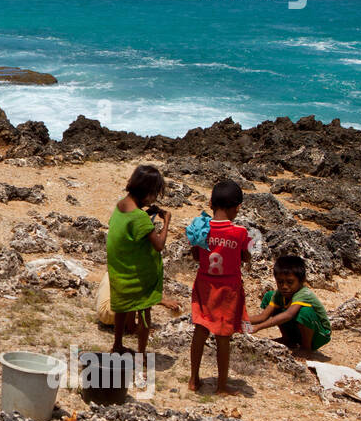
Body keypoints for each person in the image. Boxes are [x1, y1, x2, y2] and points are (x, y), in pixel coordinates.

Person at [188, 180, 252, 394]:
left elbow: (196, 256)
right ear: (237, 207)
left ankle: (193, 379)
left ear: (211, 203)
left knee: (201, 328)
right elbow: (246, 257)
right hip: (227, 290)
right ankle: (222, 386)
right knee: (223, 336)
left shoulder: (201, 229)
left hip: (204, 285)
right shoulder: (240, 232)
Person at [106, 165, 176, 355]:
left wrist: (146, 212)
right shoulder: (140, 218)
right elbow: (159, 244)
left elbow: (130, 227)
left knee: (121, 308)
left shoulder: (121, 205)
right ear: (148, 192)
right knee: (144, 313)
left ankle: (117, 345)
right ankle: (141, 354)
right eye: (154, 194)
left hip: (119, 269)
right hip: (137, 274)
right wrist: (166, 221)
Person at [250, 255, 331, 352]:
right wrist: (237, 321)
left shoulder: (303, 293)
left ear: (301, 281)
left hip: (319, 335)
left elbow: (288, 315)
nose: (284, 286)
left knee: (305, 312)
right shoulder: (279, 294)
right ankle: (287, 339)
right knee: (269, 295)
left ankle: (306, 348)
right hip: (297, 329)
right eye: (280, 282)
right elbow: (263, 316)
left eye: (290, 282)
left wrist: (258, 327)